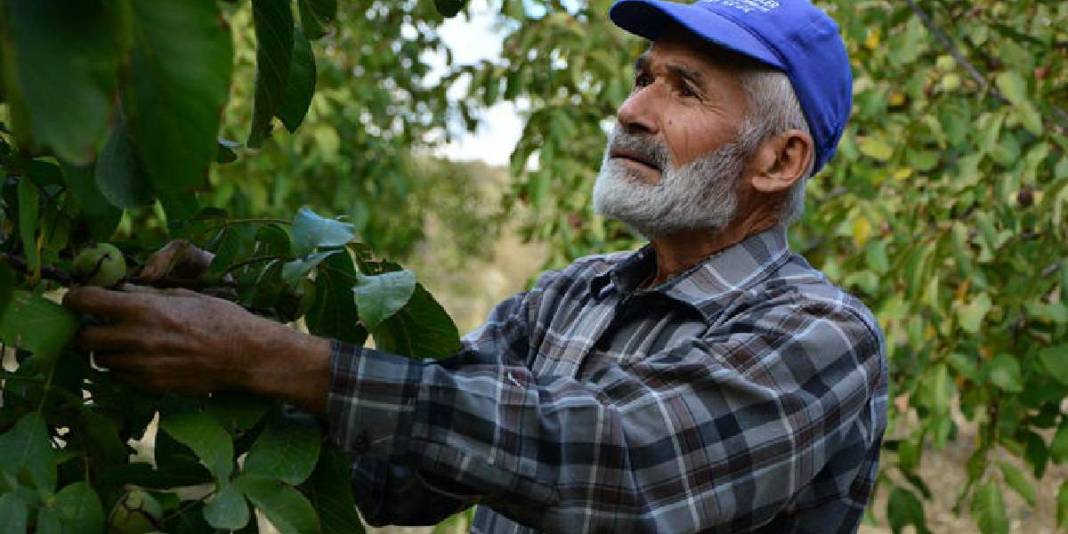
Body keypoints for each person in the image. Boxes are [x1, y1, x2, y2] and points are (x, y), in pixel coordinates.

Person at [64, 0, 887, 532]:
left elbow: (622, 465)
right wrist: (242, 323)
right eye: (643, 77)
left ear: (779, 161)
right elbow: (400, 476)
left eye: (685, 88)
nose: (632, 110)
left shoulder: (822, 334)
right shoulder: (574, 293)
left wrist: (267, 356)